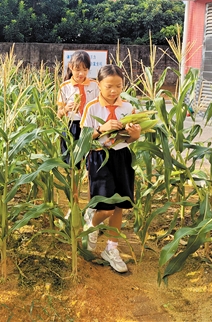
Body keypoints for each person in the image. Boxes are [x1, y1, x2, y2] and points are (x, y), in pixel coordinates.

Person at [81, 64, 141, 273]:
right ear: (98, 85)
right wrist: (101, 128)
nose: (114, 90)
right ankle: (91, 224)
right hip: (99, 157)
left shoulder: (128, 108)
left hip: (121, 157)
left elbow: (133, 139)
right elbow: (83, 140)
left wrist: (135, 134)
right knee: (105, 207)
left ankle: (111, 248)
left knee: (118, 206)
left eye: (119, 86)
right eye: (109, 86)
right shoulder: (92, 108)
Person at [57, 50, 99, 165]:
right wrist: (66, 109)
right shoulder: (64, 87)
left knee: (90, 160)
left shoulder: (95, 85)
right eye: (78, 70)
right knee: (72, 162)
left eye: (85, 70)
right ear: (70, 67)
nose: (81, 73)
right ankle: (73, 182)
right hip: (71, 126)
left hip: (89, 127)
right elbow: (58, 114)